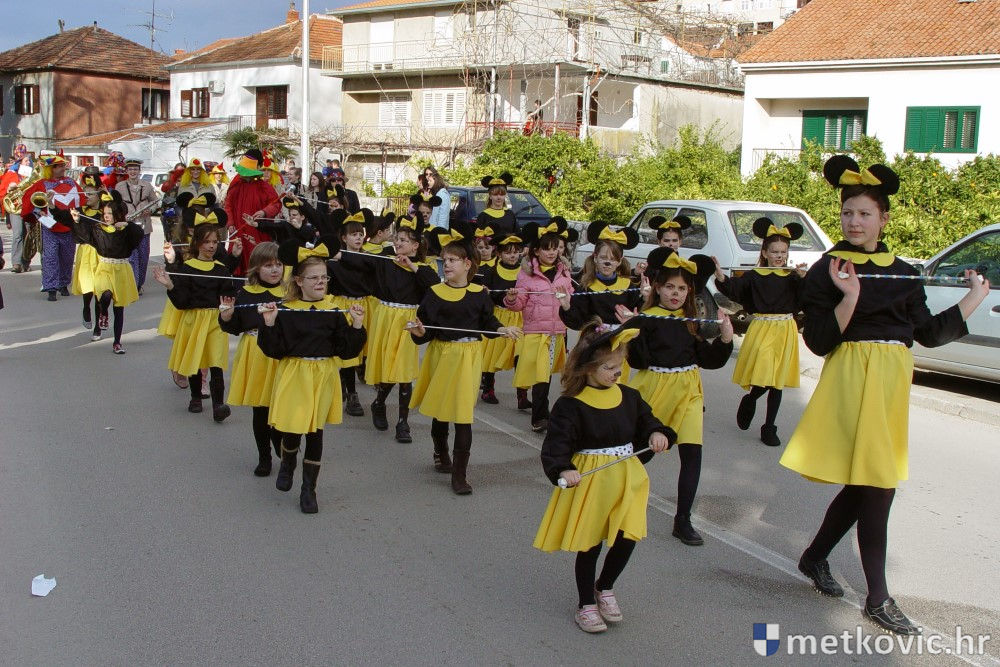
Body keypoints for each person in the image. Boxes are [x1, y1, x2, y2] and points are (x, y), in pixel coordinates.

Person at [779, 155, 989, 635]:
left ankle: (814, 557)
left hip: (891, 385)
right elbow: (819, 342)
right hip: (851, 381)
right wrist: (849, 297)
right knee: (879, 484)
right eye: (847, 212)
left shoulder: (904, 271)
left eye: (864, 213)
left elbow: (927, 334)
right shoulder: (826, 270)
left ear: (884, 218)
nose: (854, 222)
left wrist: (974, 298)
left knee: (864, 484)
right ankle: (878, 597)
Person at [533, 319, 674, 633]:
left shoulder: (630, 396)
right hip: (592, 483)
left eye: (619, 366)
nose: (617, 373)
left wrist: (658, 434)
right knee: (591, 544)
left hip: (628, 479)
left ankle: (605, 587)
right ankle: (585, 603)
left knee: (627, 536)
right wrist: (563, 468)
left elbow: (649, 422)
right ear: (587, 368)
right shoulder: (570, 405)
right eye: (609, 367)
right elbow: (556, 444)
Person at [620, 248, 734, 547]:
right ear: (657, 288)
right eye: (670, 286)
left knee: (692, 454)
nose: (676, 293)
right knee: (640, 452)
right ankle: (615, 497)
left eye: (682, 288)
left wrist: (725, 339)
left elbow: (706, 358)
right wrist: (631, 331)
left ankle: (683, 520)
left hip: (689, 391)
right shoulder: (647, 318)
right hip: (655, 388)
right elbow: (638, 361)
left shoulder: (689, 320)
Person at [257, 239, 367, 514]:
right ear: (299, 281)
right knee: (293, 428)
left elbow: (346, 351)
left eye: (324, 277)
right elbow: (274, 350)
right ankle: (288, 462)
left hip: (322, 375)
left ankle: (309, 489)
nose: (320, 282)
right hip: (295, 374)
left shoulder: (333, 310)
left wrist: (356, 325)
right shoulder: (286, 310)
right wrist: (269, 324)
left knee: (315, 433)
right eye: (314, 278)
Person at [408, 231, 521, 492]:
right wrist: (419, 332)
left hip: (468, 357)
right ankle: (440, 451)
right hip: (441, 355)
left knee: (462, 414)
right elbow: (426, 330)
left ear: (467, 264)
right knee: (441, 409)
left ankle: (459, 475)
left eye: (452, 260)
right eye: (444, 260)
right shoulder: (434, 293)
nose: (446, 265)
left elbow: (487, 322)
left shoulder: (479, 294)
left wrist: (502, 329)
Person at [713, 217, 806, 447]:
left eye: (783, 252)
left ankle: (769, 427)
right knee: (765, 374)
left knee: (777, 382)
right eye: (774, 251)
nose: (779, 256)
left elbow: (808, 298)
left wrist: (805, 279)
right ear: (764, 252)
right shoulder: (754, 276)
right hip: (763, 328)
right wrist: (721, 277)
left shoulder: (793, 277)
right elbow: (735, 289)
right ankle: (752, 397)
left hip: (785, 329)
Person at [357, 215, 439, 442]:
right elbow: (361, 264)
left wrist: (412, 266)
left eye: (404, 240)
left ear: (415, 246)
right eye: (397, 239)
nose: (399, 242)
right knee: (390, 366)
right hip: (386, 318)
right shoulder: (385, 260)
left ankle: (403, 423)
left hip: (408, 321)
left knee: (404, 370)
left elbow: (434, 286)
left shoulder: (423, 268)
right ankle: (379, 402)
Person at [151, 224, 237, 421]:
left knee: (216, 362)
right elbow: (182, 302)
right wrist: (170, 285)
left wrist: (229, 305)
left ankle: (218, 405)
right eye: (207, 242)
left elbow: (229, 294)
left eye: (215, 242)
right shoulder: (188, 268)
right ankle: (196, 397)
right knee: (196, 360)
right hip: (194, 320)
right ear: (197, 243)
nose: (211, 246)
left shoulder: (221, 269)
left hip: (215, 321)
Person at [219, 242, 285, 476]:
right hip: (256, 353)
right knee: (261, 409)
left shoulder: (290, 293)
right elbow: (235, 327)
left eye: (279, 264)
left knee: (282, 403)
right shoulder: (246, 293)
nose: (275, 270)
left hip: (283, 353)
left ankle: (280, 438)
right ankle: (264, 456)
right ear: (256, 268)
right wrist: (227, 317)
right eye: (268, 265)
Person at [503, 219, 575, 432]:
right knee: (540, 374)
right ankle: (540, 417)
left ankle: (543, 412)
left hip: (557, 332)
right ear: (536, 250)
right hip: (536, 332)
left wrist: (568, 304)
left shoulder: (564, 272)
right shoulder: (526, 274)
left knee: (546, 374)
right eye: (546, 248)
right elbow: (519, 304)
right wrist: (511, 299)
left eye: (555, 248)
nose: (551, 253)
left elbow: (571, 299)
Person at [69, 191, 143, 353]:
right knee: (105, 294)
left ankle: (117, 342)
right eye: (105, 213)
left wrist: (127, 225)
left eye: (110, 213)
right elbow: (84, 236)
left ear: (117, 214)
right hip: (104, 268)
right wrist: (77, 220)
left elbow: (139, 235)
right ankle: (103, 313)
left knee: (119, 308)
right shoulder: (98, 229)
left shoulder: (126, 230)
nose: (106, 216)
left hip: (122, 269)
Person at [326, 209, 371, 417]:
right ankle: (352, 394)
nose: (358, 237)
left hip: (364, 305)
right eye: (353, 234)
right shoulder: (334, 262)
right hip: (343, 305)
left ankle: (346, 382)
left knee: (361, 349)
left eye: (361, 234)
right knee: (348, 349)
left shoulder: (368, 259)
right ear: (343, 238)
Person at [20, 153, 80, 301]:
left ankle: (63, 284)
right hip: (49, 227)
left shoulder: (71, 183)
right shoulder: (42, 184)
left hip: (68, 227)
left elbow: (81, 200)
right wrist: (37, 212)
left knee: (67, 258)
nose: (63, 168)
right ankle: (51, 287)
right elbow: (30, 200)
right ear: (51, 169)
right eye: (59, 166)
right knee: (50, 258)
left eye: (63, 166)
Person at [478, 232, 527, 407]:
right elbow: (486, 297)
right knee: (492, 355)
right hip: (499, 316)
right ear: (499, 253)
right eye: (507, 252)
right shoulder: (492, 271)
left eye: (515, 252)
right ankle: (488, 389)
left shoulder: (525, 272)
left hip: (520, 317)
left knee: (521, 356)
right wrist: (485, 294)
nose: (512, 255)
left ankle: (522, 395)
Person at [225, 149, 282, 276]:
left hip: (257, 231)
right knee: (237, 258)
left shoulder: (264, 186)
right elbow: (228, 205)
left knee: (258, 260)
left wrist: (264, 212)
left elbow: (276, 204)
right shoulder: (236, 184)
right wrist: (230, 223)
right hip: (238, 230)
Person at [115, 158, 159, 294]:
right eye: (130, 169)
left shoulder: (147, 185)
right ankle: (132, 284)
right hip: (127, 225)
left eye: (135, 169)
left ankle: (140, 283)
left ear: (139, 171)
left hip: (144, 225)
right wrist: (121, 216)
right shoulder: (120, 186)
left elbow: (155, 201)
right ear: (126, 171)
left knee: (143, 256)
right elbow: (115, 205)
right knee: (131, 256)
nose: (133, 172)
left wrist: (150, 210)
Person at [71, 168, 105, 330]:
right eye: (85, 194)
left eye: (90, 194)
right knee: (87, 287)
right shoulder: (79, 211)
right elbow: (65, 220)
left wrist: (108, 195)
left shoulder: (105, 212)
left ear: (98, 196)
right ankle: (86, 308)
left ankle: (98, 325)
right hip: (85, 252)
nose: (87, 197)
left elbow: (121, 210)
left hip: (101, 253)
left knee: (99, 289)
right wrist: (50, 204)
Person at [2, 152, 33, 272]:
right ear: (20, 163)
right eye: (26, 161)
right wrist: (9, 188)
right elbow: (2, 192)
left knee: (27, 235)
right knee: (18, 234)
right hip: (15, 209)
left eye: (29, 161)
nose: (28, 163)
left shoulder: (31, 175)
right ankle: (16, 263)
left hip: (28, 208)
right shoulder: (11, 175)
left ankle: (25, 262)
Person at [423, 166, 451, 231]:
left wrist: (439, 232)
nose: (428, 182)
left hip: (438, 232)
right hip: (433, 229)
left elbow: (442, 217)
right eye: (426, 174)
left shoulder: (442, 194)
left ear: (436, 180)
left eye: (430, 180)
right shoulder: (437, 193)